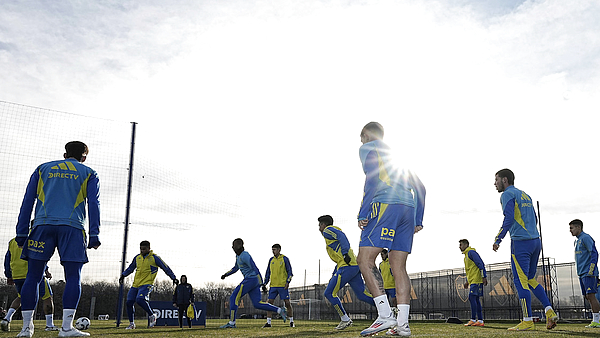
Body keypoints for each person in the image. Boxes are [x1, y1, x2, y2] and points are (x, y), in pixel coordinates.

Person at [15, 141, 101, 338]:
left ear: (65, 154)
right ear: (84, 156)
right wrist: (94, 233)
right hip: (72, 227)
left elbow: (28, 200)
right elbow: (94, 203)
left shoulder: (42, 168)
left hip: (42, 225)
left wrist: (21, 232)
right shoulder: (89, 172)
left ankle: (26, 329)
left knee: (33, 277)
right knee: (73, 277)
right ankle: (66, 328)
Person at [355, 122, 426, 337]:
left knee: (364, 260)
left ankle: (385, 315)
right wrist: (418, 218)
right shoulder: (396, 153)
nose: (361, 142)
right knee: (398, 266)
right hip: (408, 208)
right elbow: (421, 188)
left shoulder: (368, 147)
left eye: (361, 138)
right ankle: (402, 326)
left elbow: (372, 178)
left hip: (385, 204)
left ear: (366, 134)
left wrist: (363, 212)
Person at [493, 168, 558, 331]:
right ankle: (549, 312)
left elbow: (508, 218)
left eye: (496, 180)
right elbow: (535, 218)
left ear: (505, 180)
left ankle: (527, 320)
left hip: (521, 243)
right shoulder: (525, 194)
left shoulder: (507, 194)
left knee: (520, 281)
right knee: (530, 279)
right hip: (535, 241)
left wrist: (498, 239)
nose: (494, 183)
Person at [318, 215, 374, 331]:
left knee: (329, 293)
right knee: (362, 295)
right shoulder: (331, 234)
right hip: (352, 266)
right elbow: (338, 259)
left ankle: (345, 319)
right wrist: (334, 273)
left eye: (319, 225)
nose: (319, 228)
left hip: (347, 266)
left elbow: (342, 237)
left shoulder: (328, 231)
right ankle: (388, 309)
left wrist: (344, 254)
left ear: (324, 225)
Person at [219, 238, 288, 328]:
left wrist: (262, 284)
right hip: (253, 281)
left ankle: (232, 323)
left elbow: (255, 268)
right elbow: (236, 268)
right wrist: (226, 274)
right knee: (257, 303)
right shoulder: (238, 256)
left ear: (239, 246)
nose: (232, 247)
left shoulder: (245, 255)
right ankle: (280, 310)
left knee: (234, 297)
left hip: (251, 279)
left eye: (234, 245)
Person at [1, 238, 58, 332]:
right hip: (33, 274)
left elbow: (7, 259)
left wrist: (9, 275)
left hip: (17, 275)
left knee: (21, 297)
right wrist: (46, 270)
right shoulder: (35, 239)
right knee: (47, 297)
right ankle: (49, 325)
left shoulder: (12, 242)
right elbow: (39, 256)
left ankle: (7, 319)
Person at [119, 240, 178, 330]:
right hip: (136, 284)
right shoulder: (137, 258)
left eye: (144, 249)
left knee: (140, 299)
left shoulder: (155, 258)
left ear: (149, 248)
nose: (142, 251)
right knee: (129, 302)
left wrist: (173, 277)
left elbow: (165, 267)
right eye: (141, 249)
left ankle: (152, 315)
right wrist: (123, 275)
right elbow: (131, 268)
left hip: (147, 284)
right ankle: (132, 324)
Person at [569, 219, 600, 328]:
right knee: (587, 296)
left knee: (591, 295)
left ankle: (597, 320)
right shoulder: (576, 241)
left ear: (579, 227)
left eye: (571, 228)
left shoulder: (586, 238)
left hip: (588, 272)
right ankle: (596, 319)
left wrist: (591, 268)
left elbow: (594, 253)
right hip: (581, 273)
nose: (570, 231)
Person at [262, 244, 294, 328]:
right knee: (269, 303)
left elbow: (290, 272)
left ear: (279, 250)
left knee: (287, 303)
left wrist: (288, 282)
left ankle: (291, 321)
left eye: (275, 249)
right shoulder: (271, 260)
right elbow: (268, 272)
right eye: (272, 250)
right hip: (273, 286)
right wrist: (265, 283)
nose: (273, 251)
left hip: (282, 285)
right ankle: (268, 322)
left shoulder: (284, 259)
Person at [459, 239, 487, 327]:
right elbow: (469, 270)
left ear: (466, 245)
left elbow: (481, 264)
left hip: (477, 280)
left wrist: (484, 276)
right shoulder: (466, 256)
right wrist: (467, 281)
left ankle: (473, 319)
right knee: (476, 300)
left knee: (472, 298)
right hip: (473, 280)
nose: (459, 247)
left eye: (461, 245)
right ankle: (480, 321)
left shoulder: (471, 253)